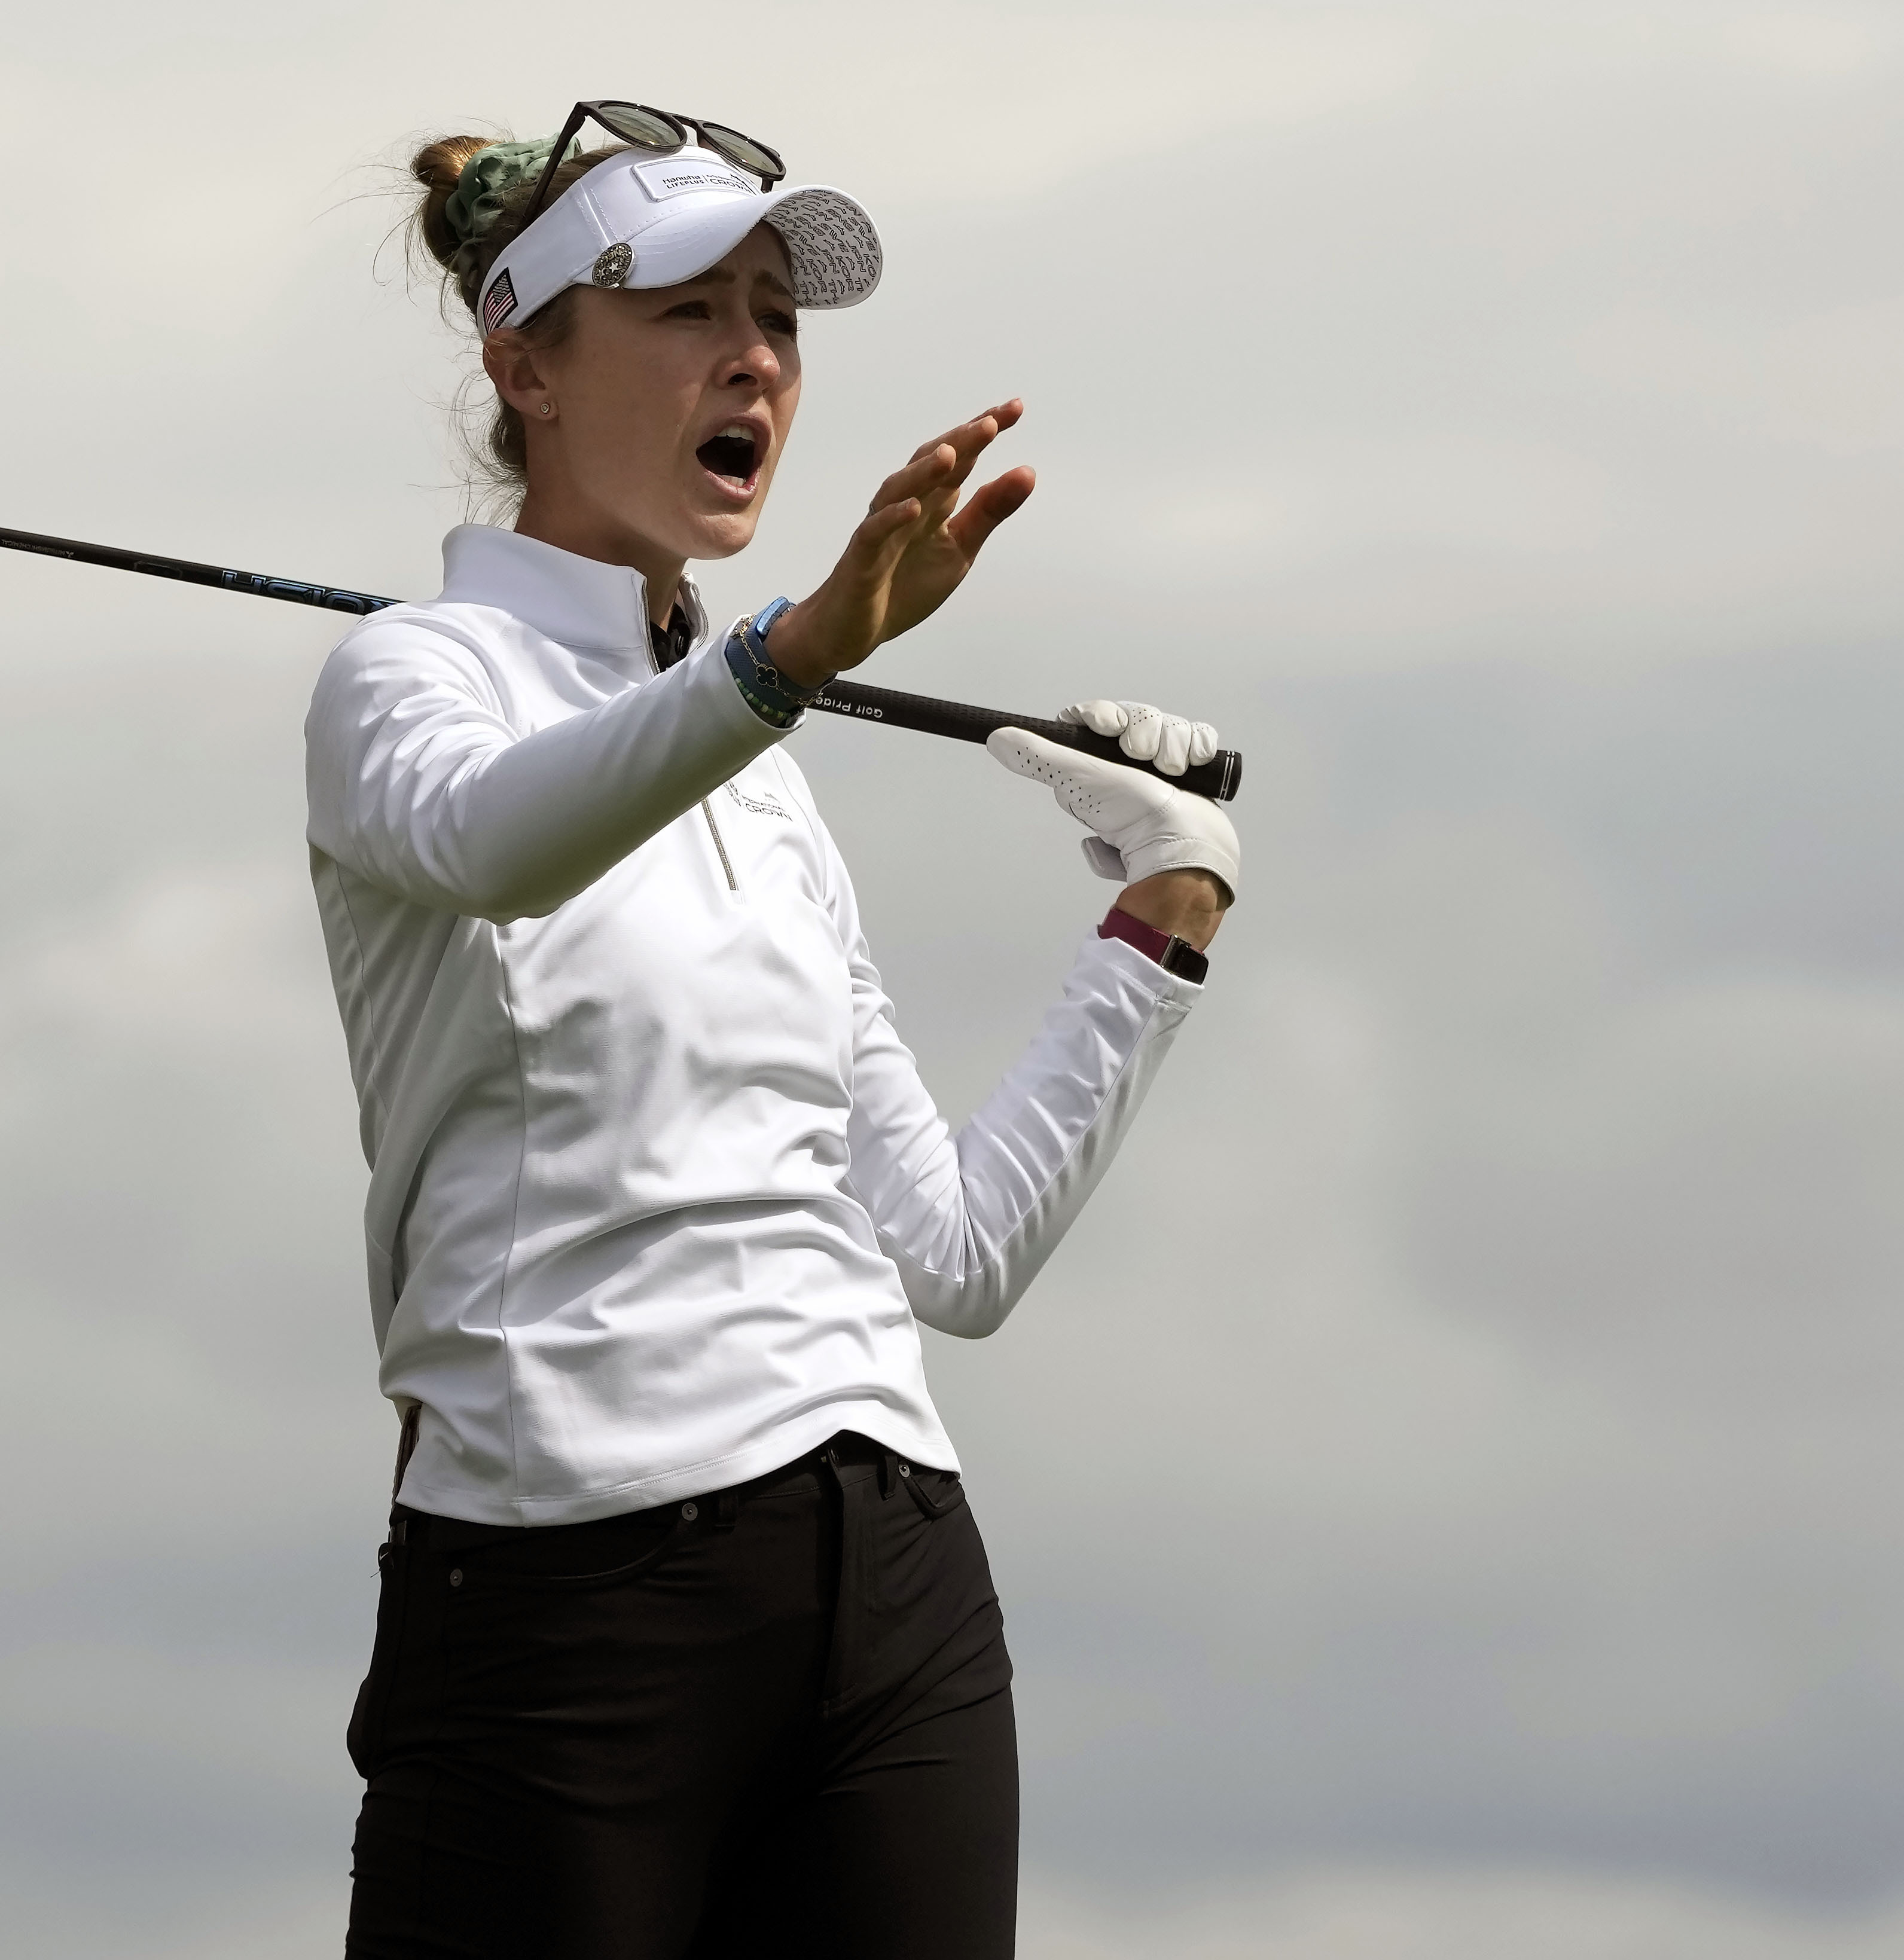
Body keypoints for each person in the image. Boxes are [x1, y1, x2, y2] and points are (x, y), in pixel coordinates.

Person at [304, 103, 1240, 1960]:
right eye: (683, 310)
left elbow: (951, 1255)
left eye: (778, 319)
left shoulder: (764, 773)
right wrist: (786, 661)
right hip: (561, 1576)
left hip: (884, 1568)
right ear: (526, 365)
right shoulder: (411, 681)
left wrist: (1158, 920)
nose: (752, 358)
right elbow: (500, 848)